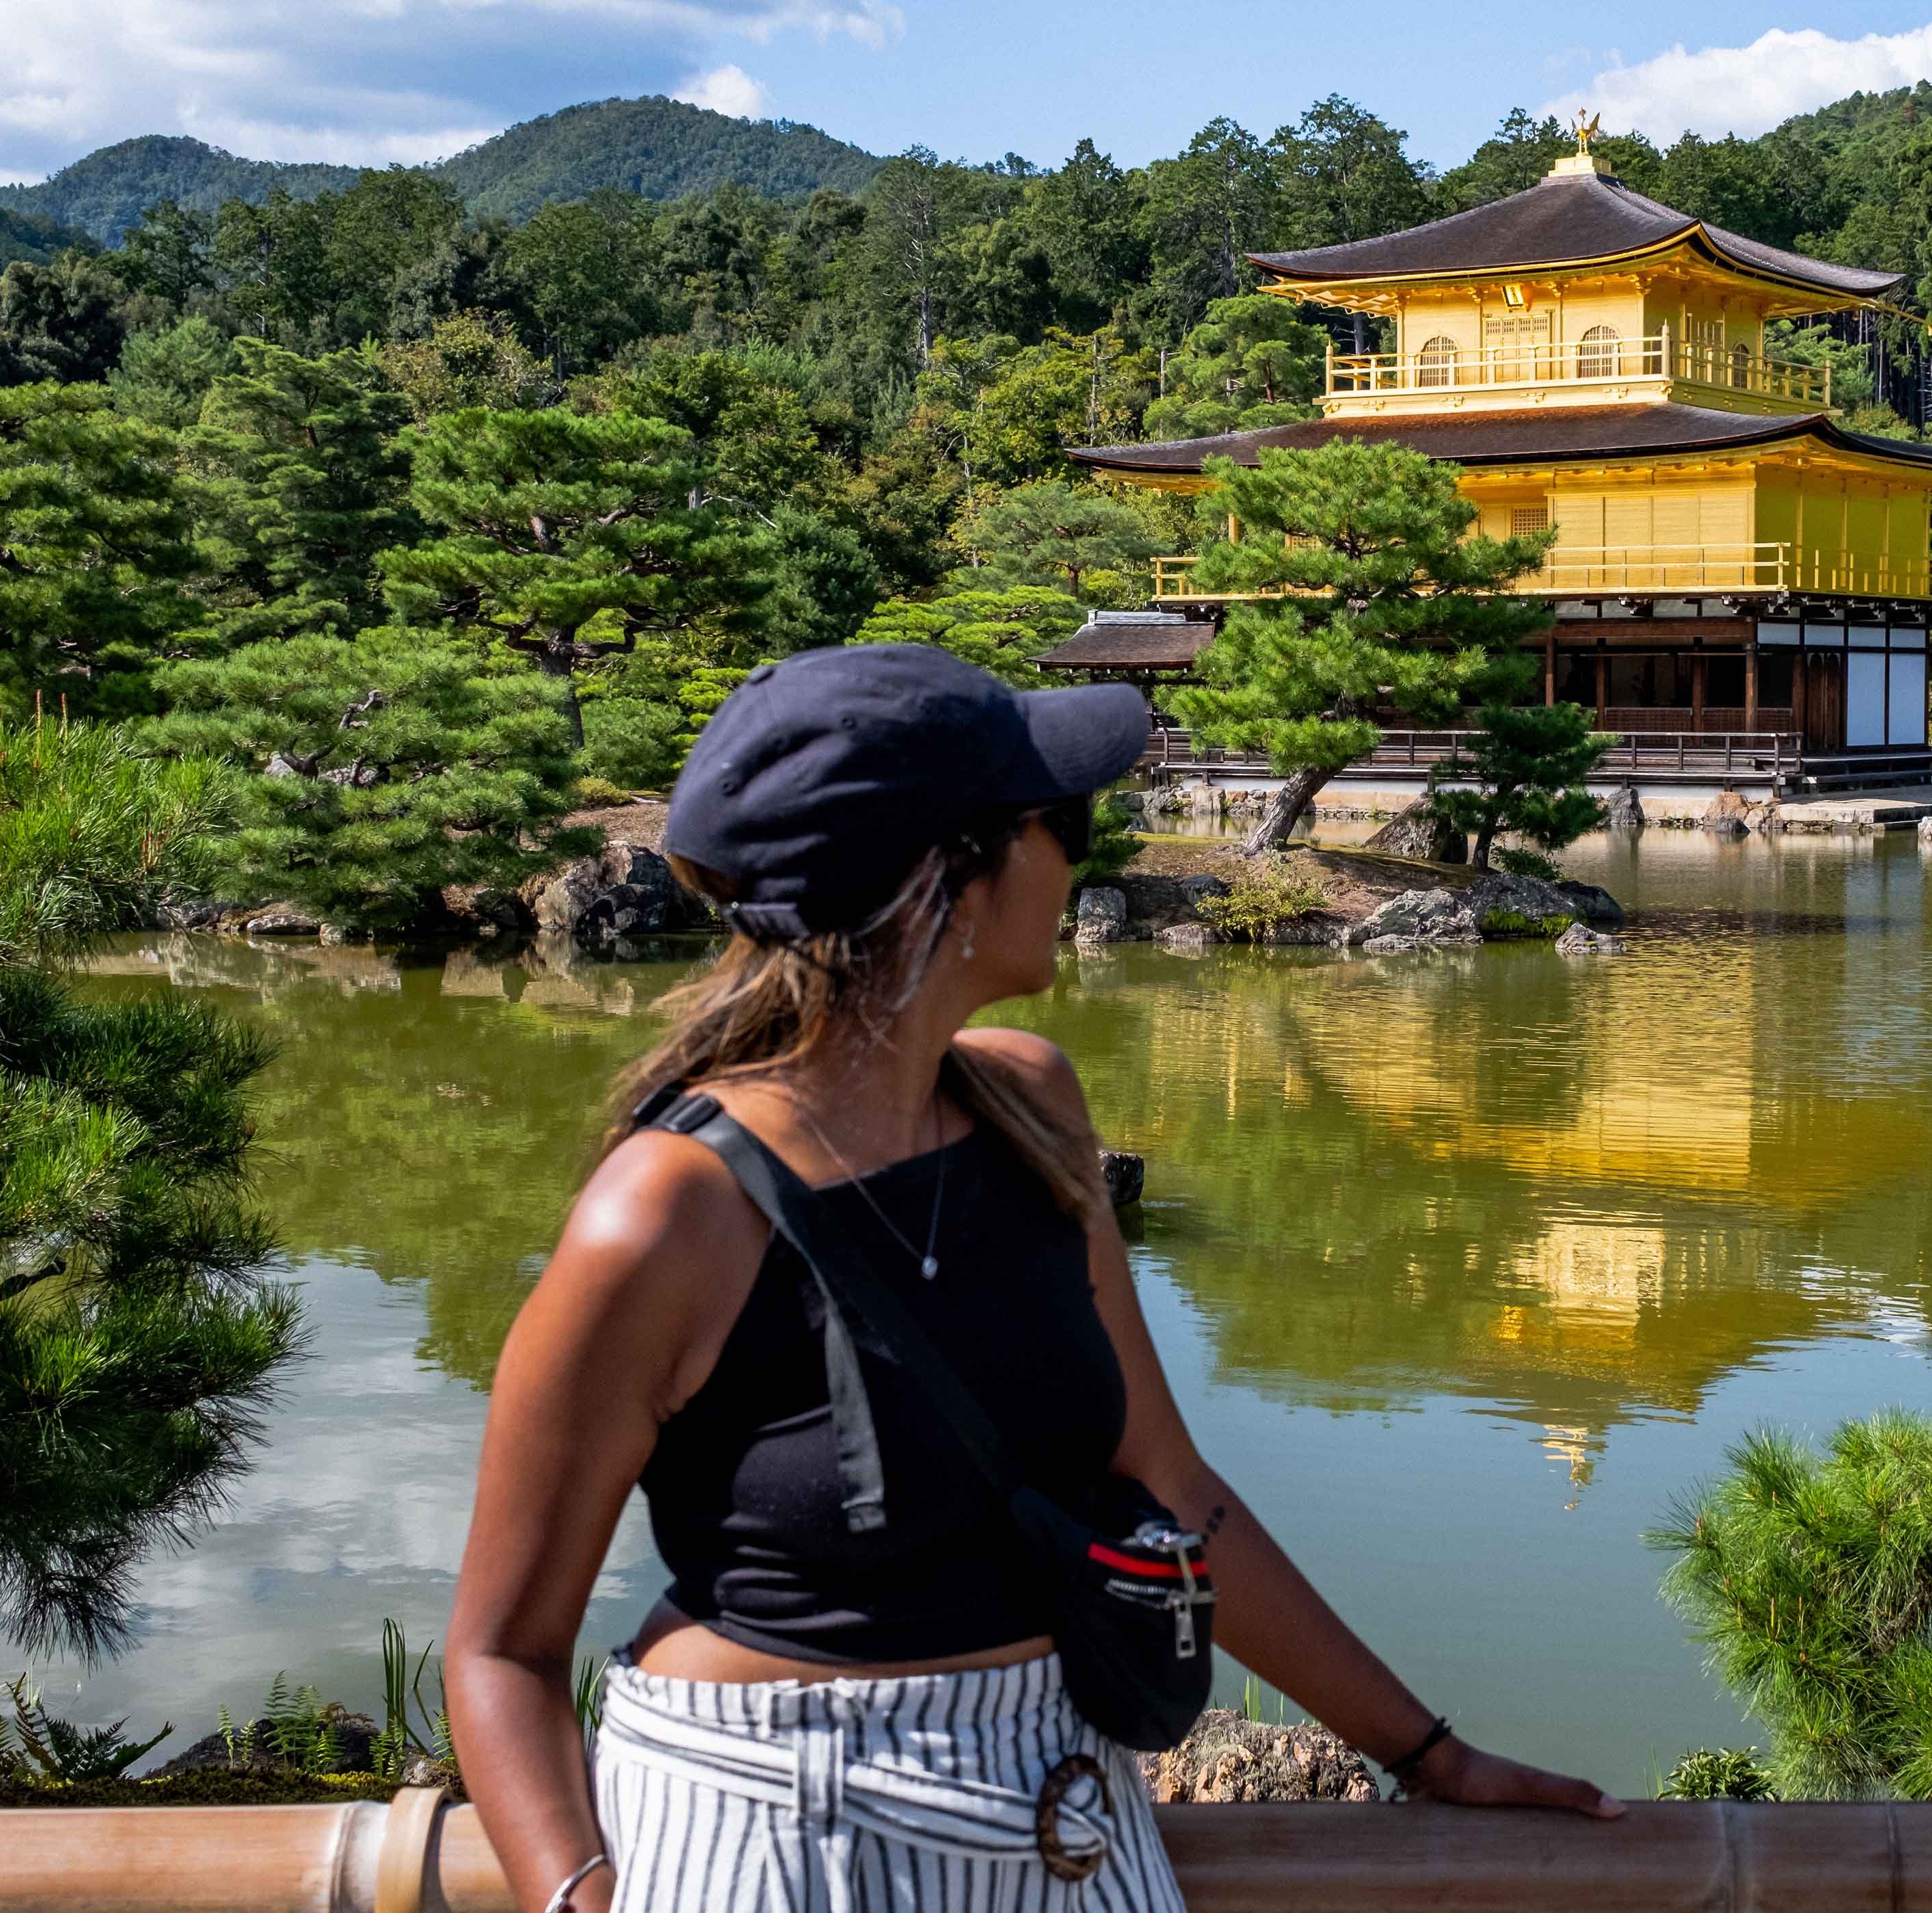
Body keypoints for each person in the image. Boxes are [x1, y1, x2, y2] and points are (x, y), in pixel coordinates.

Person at [446, 644, 1618, 1913]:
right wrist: (577, 1897)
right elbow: (504, 1649)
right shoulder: (673, 1211)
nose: (1081, 861)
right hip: (774, 1820)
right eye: (1063, 823)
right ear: (947, 876)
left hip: (1070, 1798)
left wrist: (1429, 1755)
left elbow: (1170, 1488)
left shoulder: (1031, 1106)